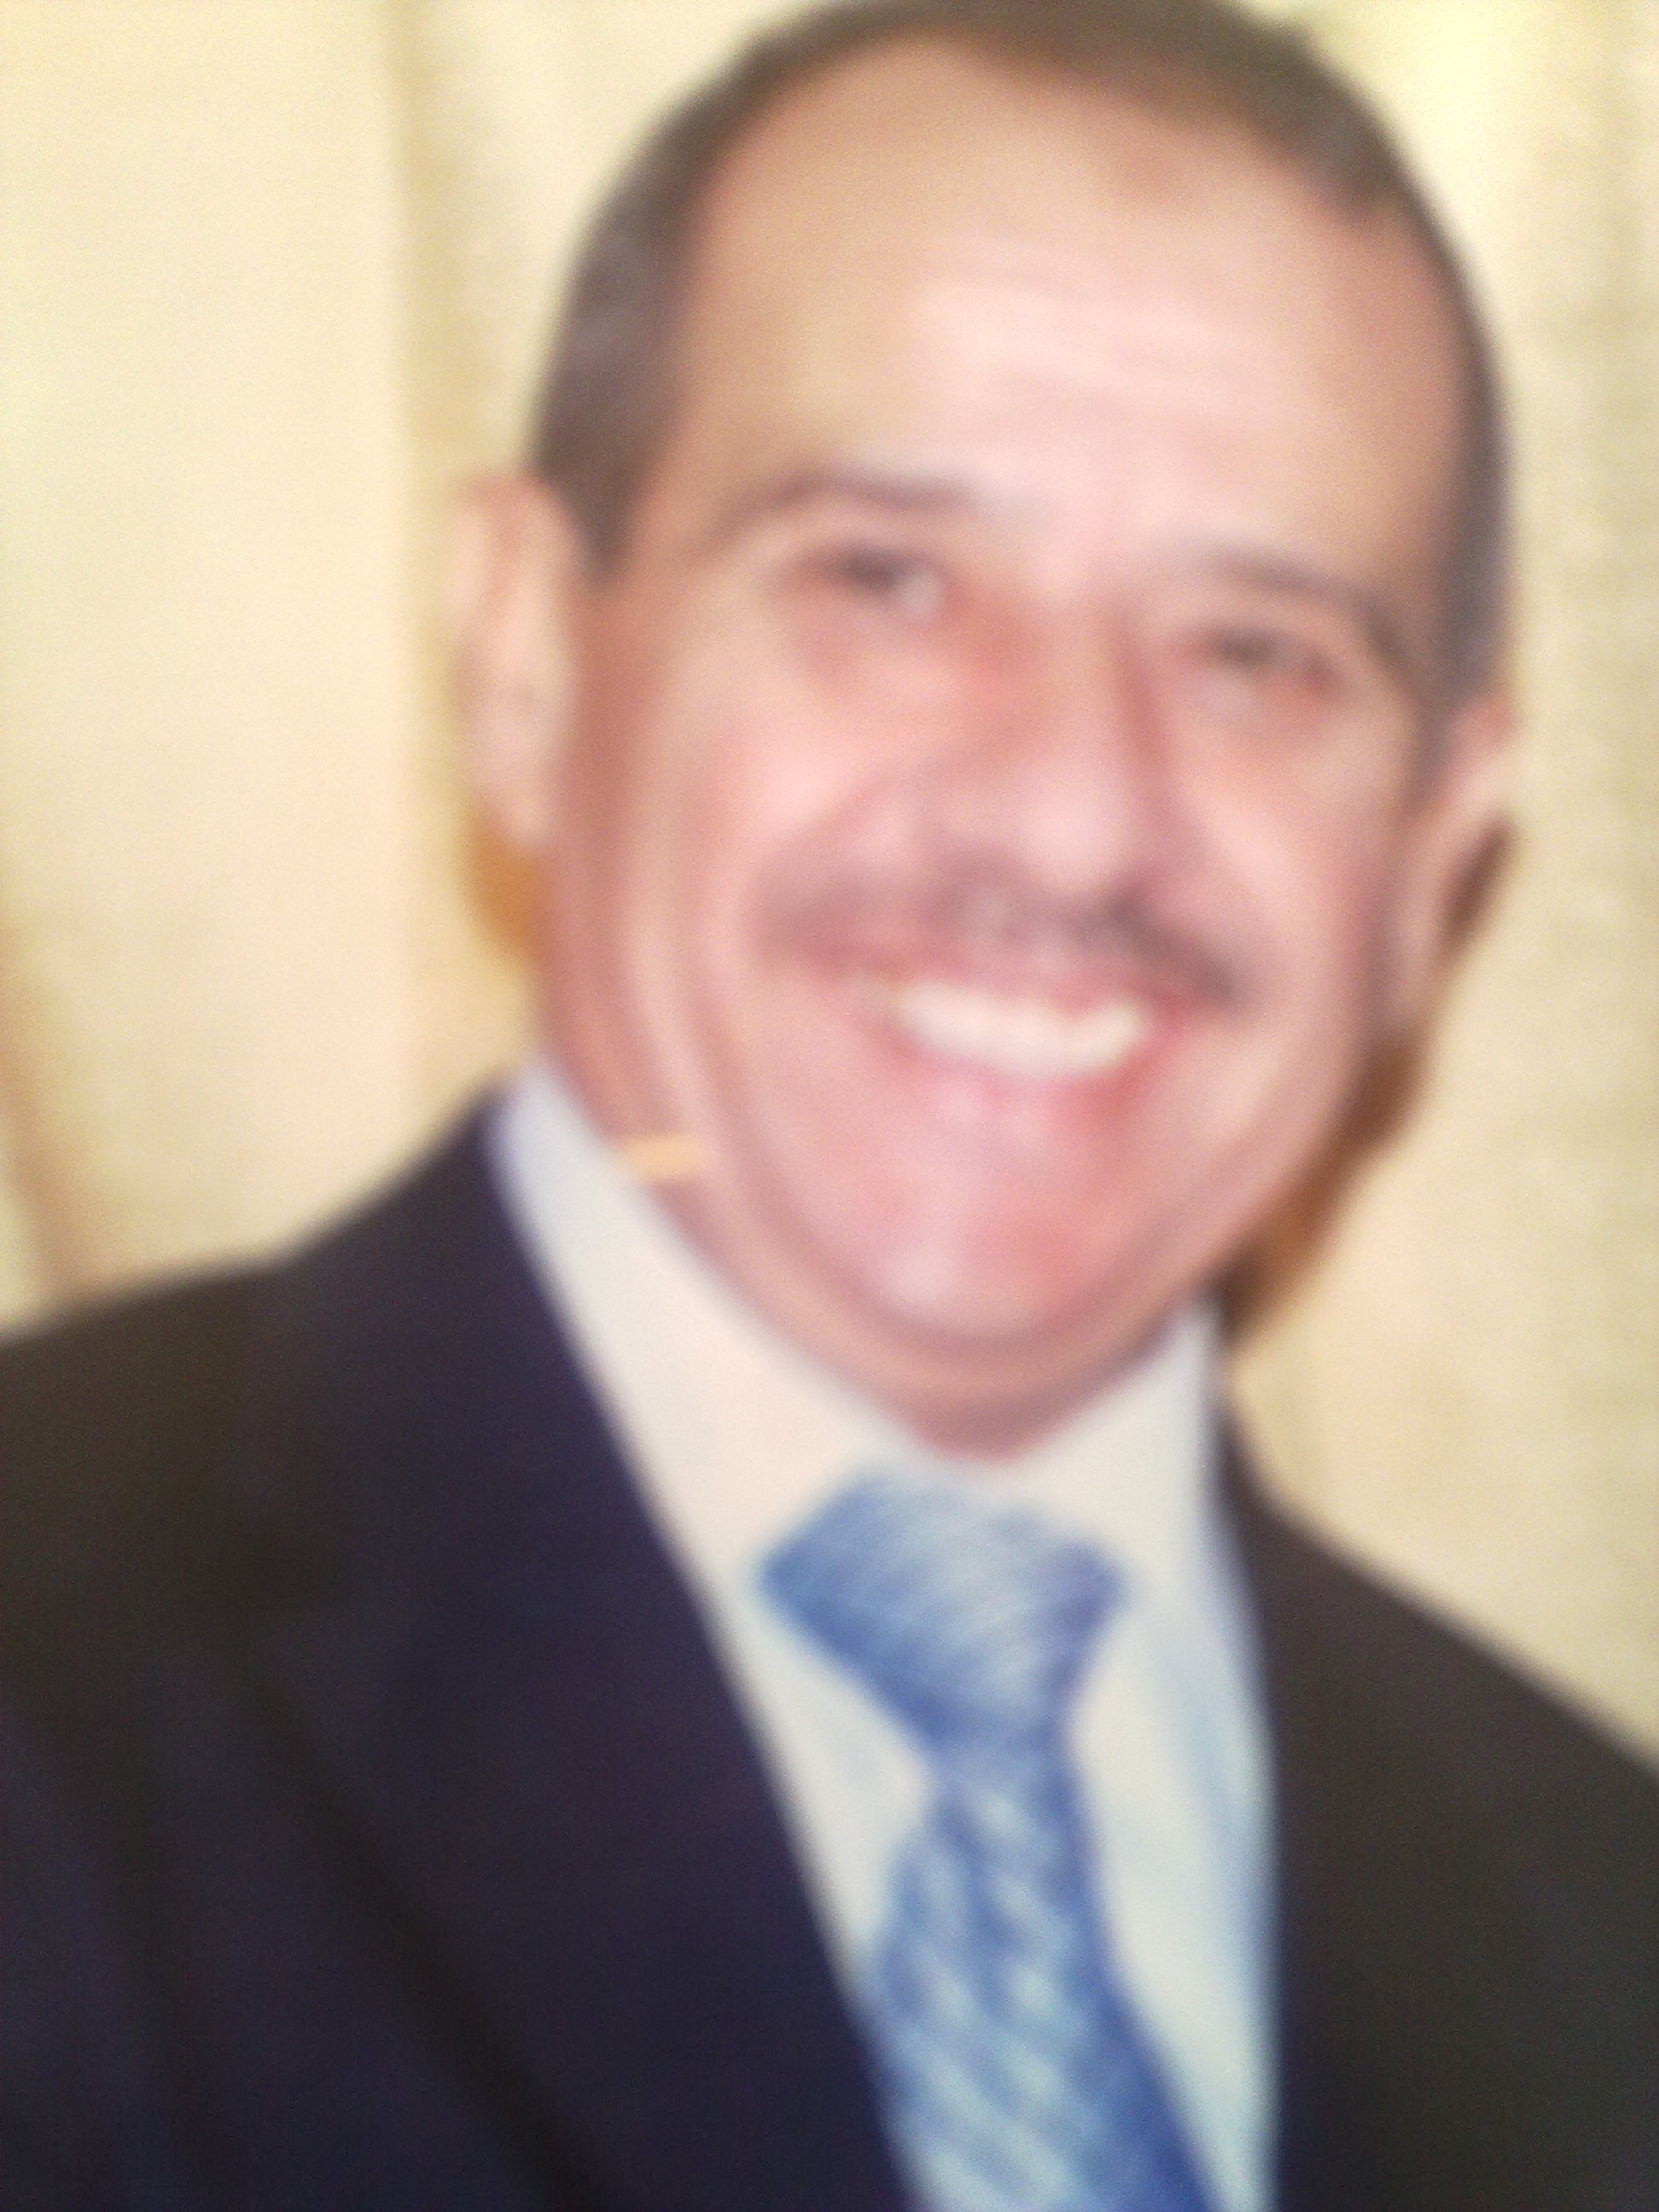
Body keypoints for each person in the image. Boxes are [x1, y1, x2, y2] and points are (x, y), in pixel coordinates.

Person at [4, 2, 1655, 2207]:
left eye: (1259, 655)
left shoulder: (1601, 1929)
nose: (1075, 817)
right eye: (886, 580)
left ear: (1434, 861)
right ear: (528, 662)